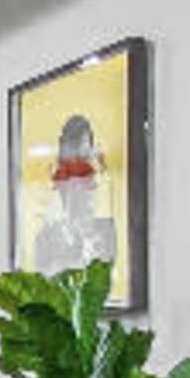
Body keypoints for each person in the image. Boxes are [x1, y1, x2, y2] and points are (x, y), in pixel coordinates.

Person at [30, 111, 121, 276]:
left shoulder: (104, 230)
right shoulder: (46, 236)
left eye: (84, 161)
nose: (79, 183)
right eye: (68, 168)